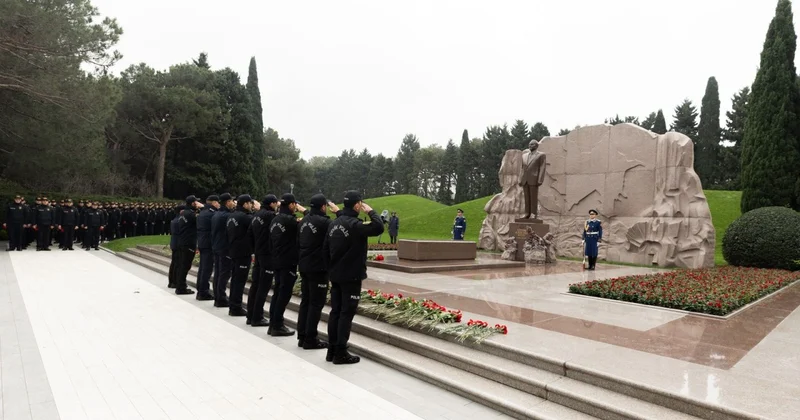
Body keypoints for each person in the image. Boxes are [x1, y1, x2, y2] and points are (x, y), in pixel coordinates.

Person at [323, 191, 384, 364]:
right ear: (357, 205)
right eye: (360, 204)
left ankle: (332, 350)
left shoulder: (333, 224)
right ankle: (341, 352)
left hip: (335, 275)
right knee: (346, 313)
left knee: (335, 312)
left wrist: (330, 270)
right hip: (351, 276)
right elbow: (378, 227)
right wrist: (371, 212)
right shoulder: (356, 225)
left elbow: (325, 250)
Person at [297, 193, 340, 349]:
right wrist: (338, 212)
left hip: (304, 265)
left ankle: (302, 335)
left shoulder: (303, 221)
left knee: (306, 301)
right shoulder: (325, 222)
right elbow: (340, 226)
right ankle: (310, 339)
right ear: (323, 207)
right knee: (316, 304)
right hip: (318, 267)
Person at [268, 193, 307, 337]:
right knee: (284, 294)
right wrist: (304, 211)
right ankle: (277, 325)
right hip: (287, 261)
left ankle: (273, 324)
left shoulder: (275, 219)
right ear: (291, 205)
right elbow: (312, 219)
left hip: (276, 259)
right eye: (295, 204)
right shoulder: (290, 221)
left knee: (277, 292)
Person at [247, 194, 280, 327]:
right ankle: (257, 317)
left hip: (258, 253)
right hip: (267, 254)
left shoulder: (256, 215)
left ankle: (250, 315)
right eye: (276, 203)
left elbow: (249, 234)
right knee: (263, 286)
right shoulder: (270, 216)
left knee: (255, 285)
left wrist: (254, 249)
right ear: (271, 204)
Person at [226, 195, 255, 317]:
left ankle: (233, 305)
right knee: (239, 281)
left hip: (233, 250)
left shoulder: (231, 215)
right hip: (243, 252)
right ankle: (236, 307)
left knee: (235, 279)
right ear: (245, 204)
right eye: (250, 203)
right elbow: (256, 223)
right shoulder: (245, 217)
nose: (251, 205)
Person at [175, 196, 202, 295]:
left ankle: (180, 285)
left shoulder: (183, 213)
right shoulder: (190, 214)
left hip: (182, 241)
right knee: (185, 266)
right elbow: (201, 220)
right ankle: (181, 287)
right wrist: (202, 208)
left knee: (182, 265)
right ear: (192, 203)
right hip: (189, 242)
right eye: (196, 202)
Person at [211, 193, 234, 307]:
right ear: (227, 202)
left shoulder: (216, 214)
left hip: (216, 245)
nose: (233, 203)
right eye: (231, 201)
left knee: (218, 273)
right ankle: (221, 298)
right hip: (224, 247)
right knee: (224, 273)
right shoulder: (227, 216)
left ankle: (218, 296)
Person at [196, 194, 219, 301]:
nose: (218, 204)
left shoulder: (203, 212)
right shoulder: (211, 213)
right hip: (208, 243)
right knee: (207, 268)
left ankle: (200, 289)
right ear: (214, 202)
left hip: (202, 242)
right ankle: (203, 292)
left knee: (202, 268)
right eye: (217, 202)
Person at [167, 205, 185, 289]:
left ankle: (172, 281)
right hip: (178, 244)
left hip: (175, 243)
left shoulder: (175, 219)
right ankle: (174, 281)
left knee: (174, 263)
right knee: (177, 264)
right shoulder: (179, 220)